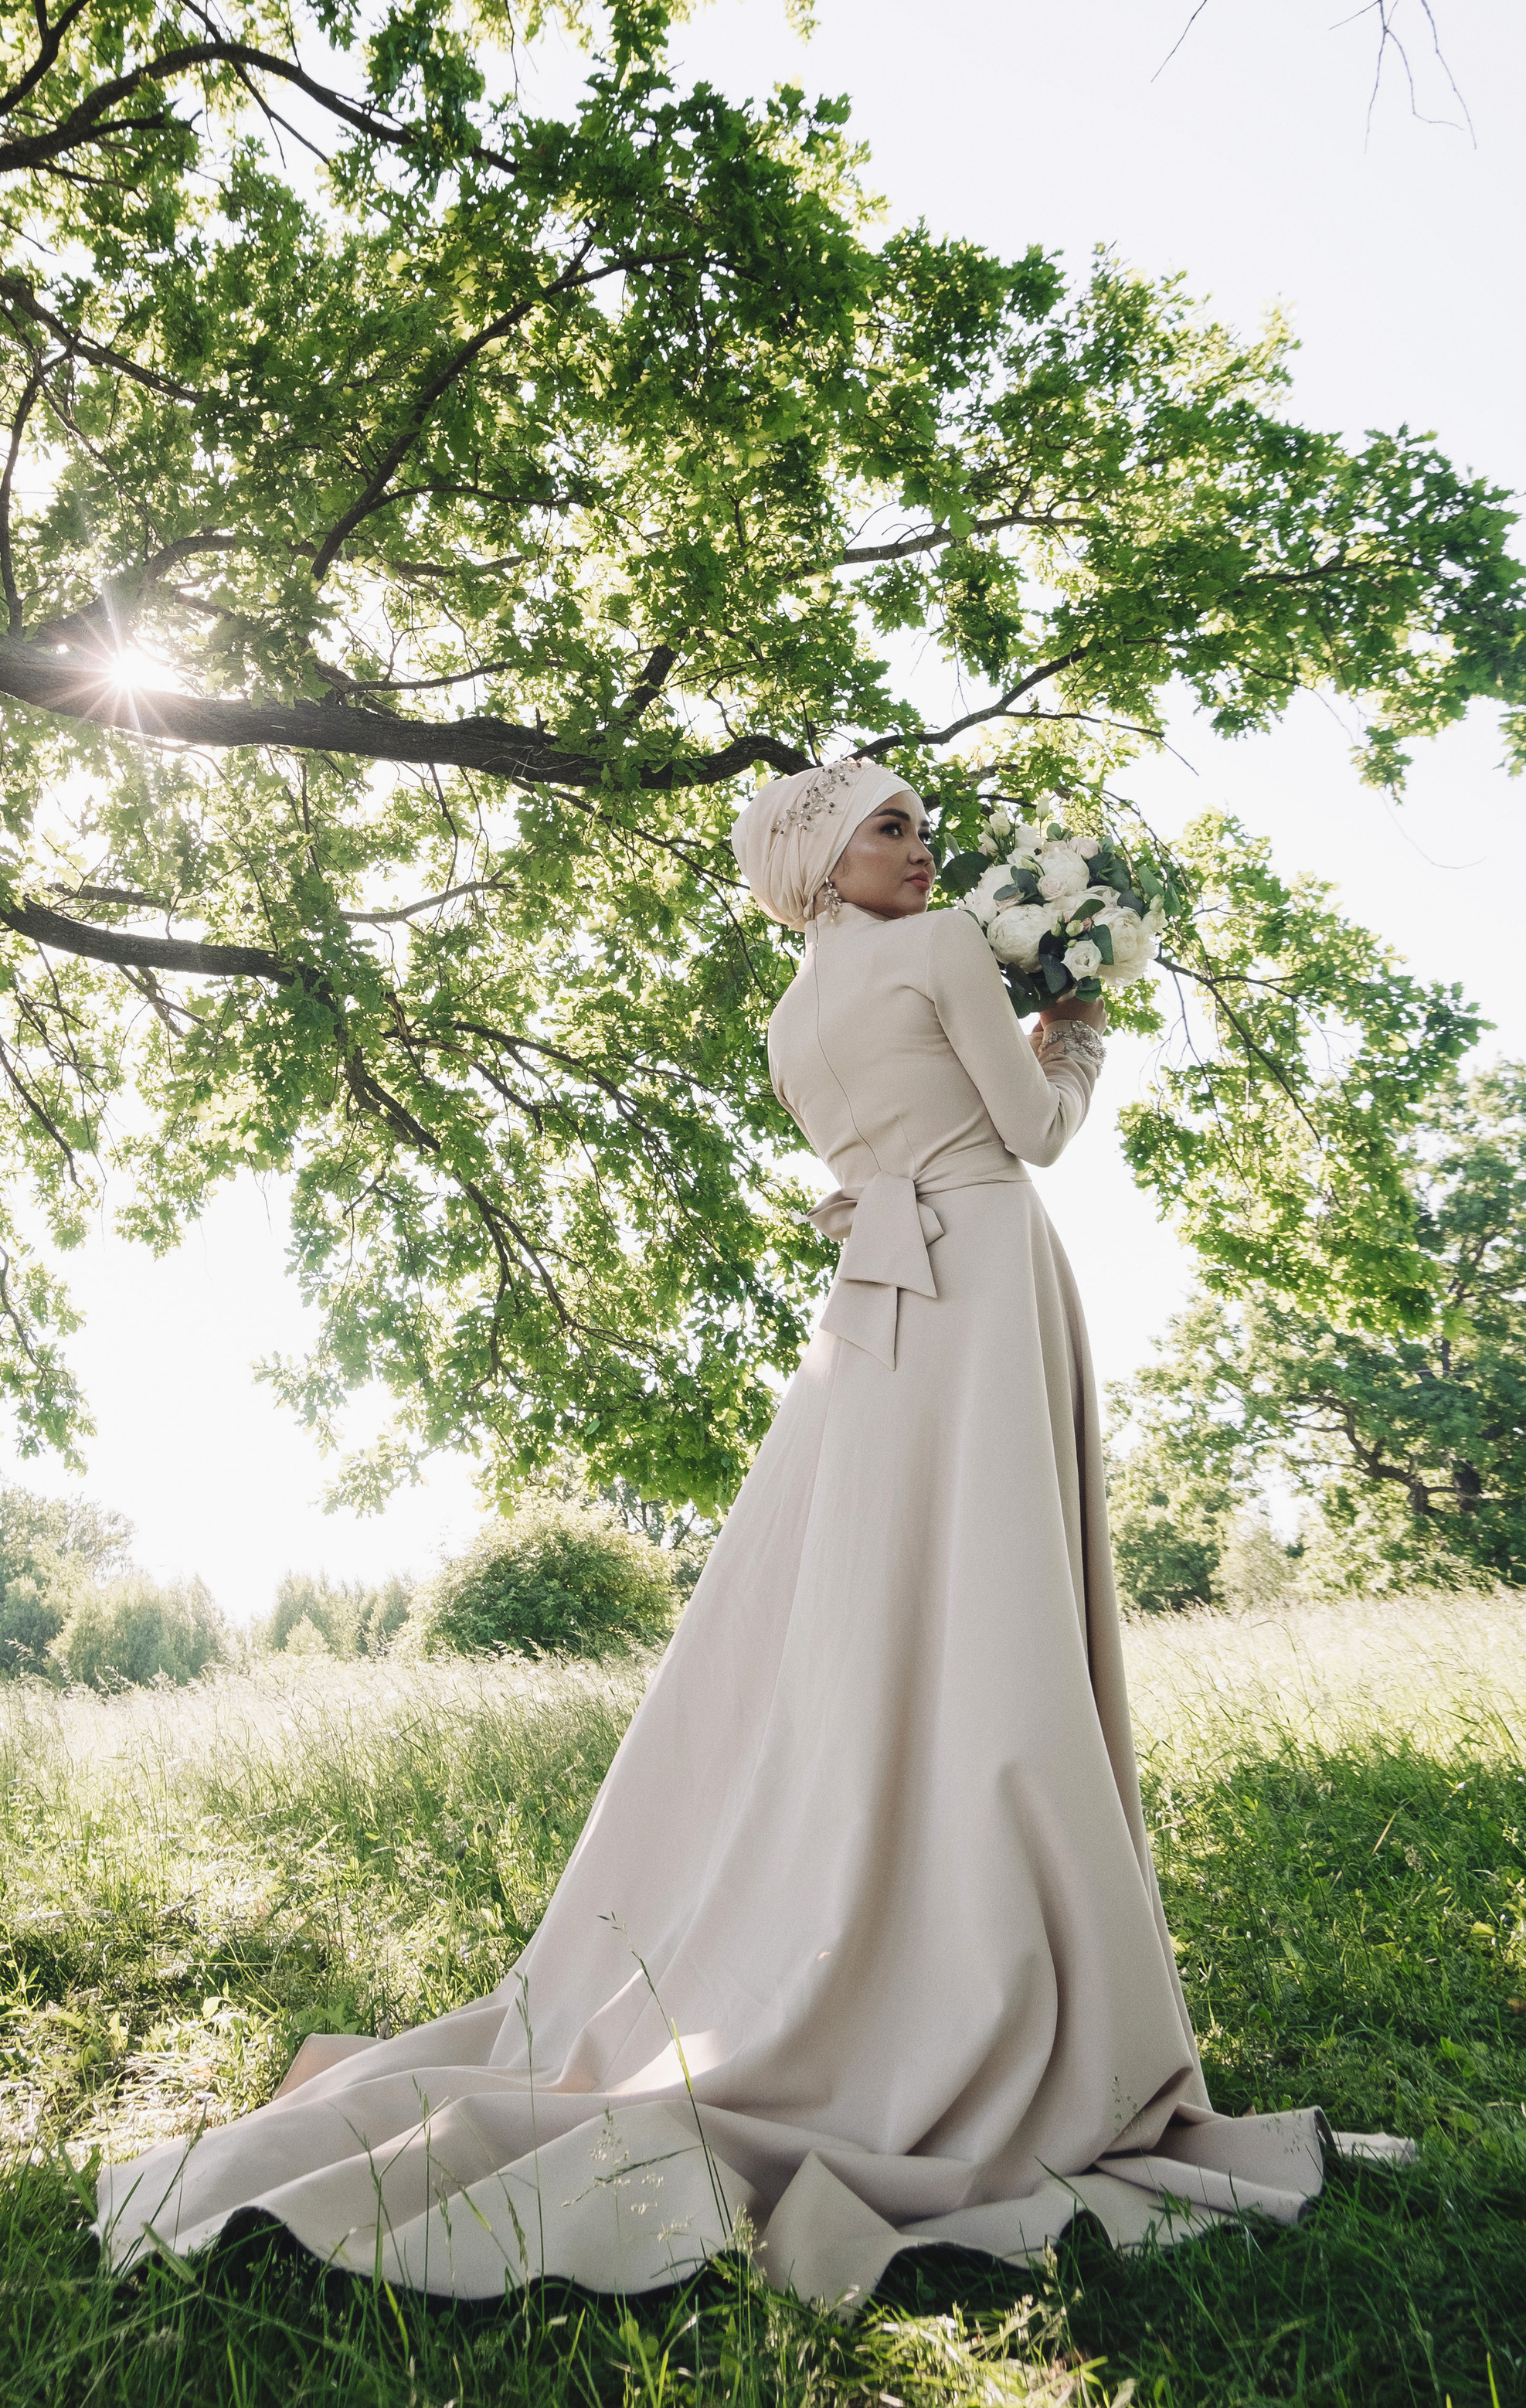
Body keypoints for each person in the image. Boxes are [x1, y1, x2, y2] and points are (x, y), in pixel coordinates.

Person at [95, 758, 1328, 2304]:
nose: (918, 843)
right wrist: (1070, 1037)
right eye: (886, 824)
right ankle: (993, 1967)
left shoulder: (783, 1018)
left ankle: (883, 1929)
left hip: (877, 1331)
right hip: (980, 1276)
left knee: (876, 1626)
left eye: (914, 824)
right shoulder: (941, 946)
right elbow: (1025, 1130)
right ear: (815, 861)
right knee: (990, 1622)